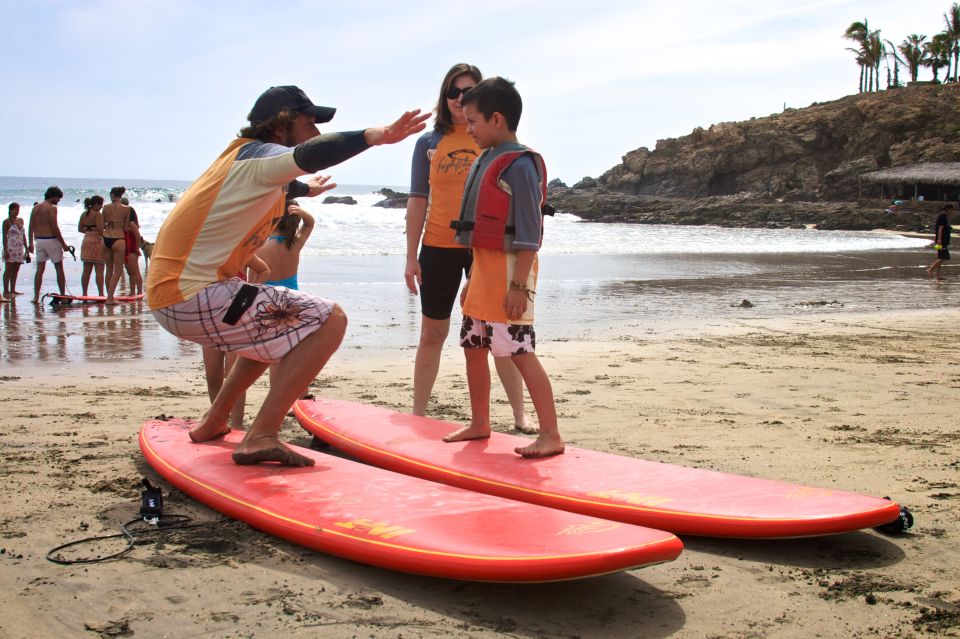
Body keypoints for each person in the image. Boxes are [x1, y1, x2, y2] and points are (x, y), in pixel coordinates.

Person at [146, 84, 429, 466]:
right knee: (330, 319)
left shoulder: (240, 161)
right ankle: (260, 435)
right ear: (281, 125)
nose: (315, 131)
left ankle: (214, 420)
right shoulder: (258, 157)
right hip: (192, 297)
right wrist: (374, 137)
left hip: (176, 296)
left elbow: (279, 180)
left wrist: (305, 191)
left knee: (279, 323)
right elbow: (308, 155)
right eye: (309, 122)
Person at [404, 63, 536, 432]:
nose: (460, 100)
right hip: (438, 247)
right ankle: (418, 413)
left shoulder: (493, 141)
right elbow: (417, 199)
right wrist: (411, 257)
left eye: (468, 92)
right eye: (453, 92)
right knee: (433, 333)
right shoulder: (428, 144)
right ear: (444, 97)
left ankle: (519, 414)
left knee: (498, 332)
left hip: (486, 249)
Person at [441, 77, 564, 458]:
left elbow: (529, 232)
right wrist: (473, 278)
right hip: (483, 275)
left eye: (474, 121)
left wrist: (518, 287)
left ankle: (551, 434)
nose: (469, 129)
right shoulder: (486, 158)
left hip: (512, 275)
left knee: (520, 352)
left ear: (497, 119)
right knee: (472, 346)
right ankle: (480, 423)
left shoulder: (520, 165)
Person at [27, 186, 70, 303]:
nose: (58, 201)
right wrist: (64, 244)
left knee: (39, 270)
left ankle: (36, 296)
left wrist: (30, 243)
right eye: (58, 198)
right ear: (53, 196)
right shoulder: (52, 208)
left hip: (39, 240)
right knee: (59, 267)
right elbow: (54, 227)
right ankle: (63, 296)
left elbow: (31, 225)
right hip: (51, 239)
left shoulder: (36, 207)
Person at [102, 186, 131, 304]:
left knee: (108, 269)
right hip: (118, 238)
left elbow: (102, 224)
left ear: (112, 195)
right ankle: (110, 298)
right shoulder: (126, 209)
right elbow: (125, 227)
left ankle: (109, 296)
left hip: (106, 238)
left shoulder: (105, 207)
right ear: (121, 195)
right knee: (118, 270)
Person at [78, 195, 106, 296]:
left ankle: (84, 293)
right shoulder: (98, 214)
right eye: (101, 205)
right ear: (97, 204)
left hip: (86, 239)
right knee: (99, 269)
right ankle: (101, 294)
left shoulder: (84, 214)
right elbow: (100, 230)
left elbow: (80, 229)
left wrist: (89, 230)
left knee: (86, 270)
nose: (102, 207)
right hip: (97, 241)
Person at [3, 202, 27, 300]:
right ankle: (6, 290)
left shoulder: (20, 220)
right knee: (8, 269)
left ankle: (13, 289)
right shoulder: (7, 222)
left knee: (16, 269)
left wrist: (27, 247)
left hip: (19, 248)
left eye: (18, 209)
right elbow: (4, 236)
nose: (17, 212)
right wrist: (5, 250)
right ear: (10, 210)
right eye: (15, 209)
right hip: (10, 247)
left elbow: (23, 235)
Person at [120, 196, 143, 295]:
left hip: (132, 249)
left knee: (135, 271)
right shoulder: (125, 223)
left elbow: (138, 236)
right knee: (130, 272)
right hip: (127, 249)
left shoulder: (131, 224)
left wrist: (137, 249)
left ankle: (139, 292)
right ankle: (132, 292)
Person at [927, 204, 953, 281]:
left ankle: (938, 276)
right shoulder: (943, 215)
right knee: (944, 257)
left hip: (941, 240)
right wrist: (939, 239)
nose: (952, 211)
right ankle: (930, 270)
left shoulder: (943, 215)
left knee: (940, 257)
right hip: (941, 240)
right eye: (951, 210)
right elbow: (940, 228)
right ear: (948, 209)